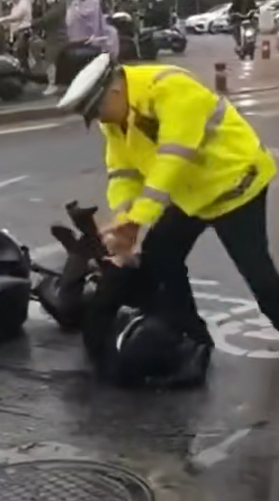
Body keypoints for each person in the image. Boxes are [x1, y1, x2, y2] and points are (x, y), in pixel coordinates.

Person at [56, 53, 279, 352]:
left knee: (258, 275)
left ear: (115, 89)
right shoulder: (115, 115)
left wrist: (138, 219)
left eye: (97, 110)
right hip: (191, 195)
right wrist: (123, 217)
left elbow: (172, 162)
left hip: (235, 187)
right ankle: (192, 337)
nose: (99, 119)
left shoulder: (170, 89)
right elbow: (123, 170)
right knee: (161, 257)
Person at [31, 0, 67, 96]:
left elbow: (46, 19)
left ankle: (52, 84)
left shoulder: (58, 8)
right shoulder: (51, 8)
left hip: (58, 38)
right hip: (53, 37)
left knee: (50, 59)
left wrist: (33, 23)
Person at [0, 0, 33, 70]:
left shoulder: (24, 3)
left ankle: (25, 73)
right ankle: (23, 72)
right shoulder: (15, 4)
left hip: (24, 31)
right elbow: (3, 0)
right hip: (16, 32)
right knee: (18, 55)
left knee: (20, 54)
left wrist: (2, 20)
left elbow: (16, 17)